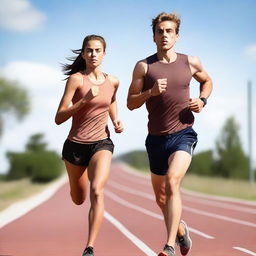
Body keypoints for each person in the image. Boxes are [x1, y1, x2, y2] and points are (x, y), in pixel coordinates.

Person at [127, 12, 212, 256]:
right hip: (155, 139)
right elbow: (131, 102)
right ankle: (182, 232)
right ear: (153, 36)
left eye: (169, 31)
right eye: (160, 31)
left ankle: (168, 246)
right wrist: (150, 92)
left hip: (183, 133)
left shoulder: (190, 62)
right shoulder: (144, 66)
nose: (164, 35)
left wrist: (203, 100)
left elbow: (207, 81)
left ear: (176, 35)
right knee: (161, 199)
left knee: (173, 182)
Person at [55, 34, 123, 256]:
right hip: (75, 146)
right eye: (89, 50)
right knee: (79, 198)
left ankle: (89, 248)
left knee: (97, 190)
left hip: (101, 143)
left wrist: (115, 120)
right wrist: (83, 102)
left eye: (98, 50)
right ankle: (75, 184)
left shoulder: (113, 81)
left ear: (104, 54)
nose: (94, 54)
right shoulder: (76, 79)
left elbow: (111, 99)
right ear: (83, 53)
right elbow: (59, 117)